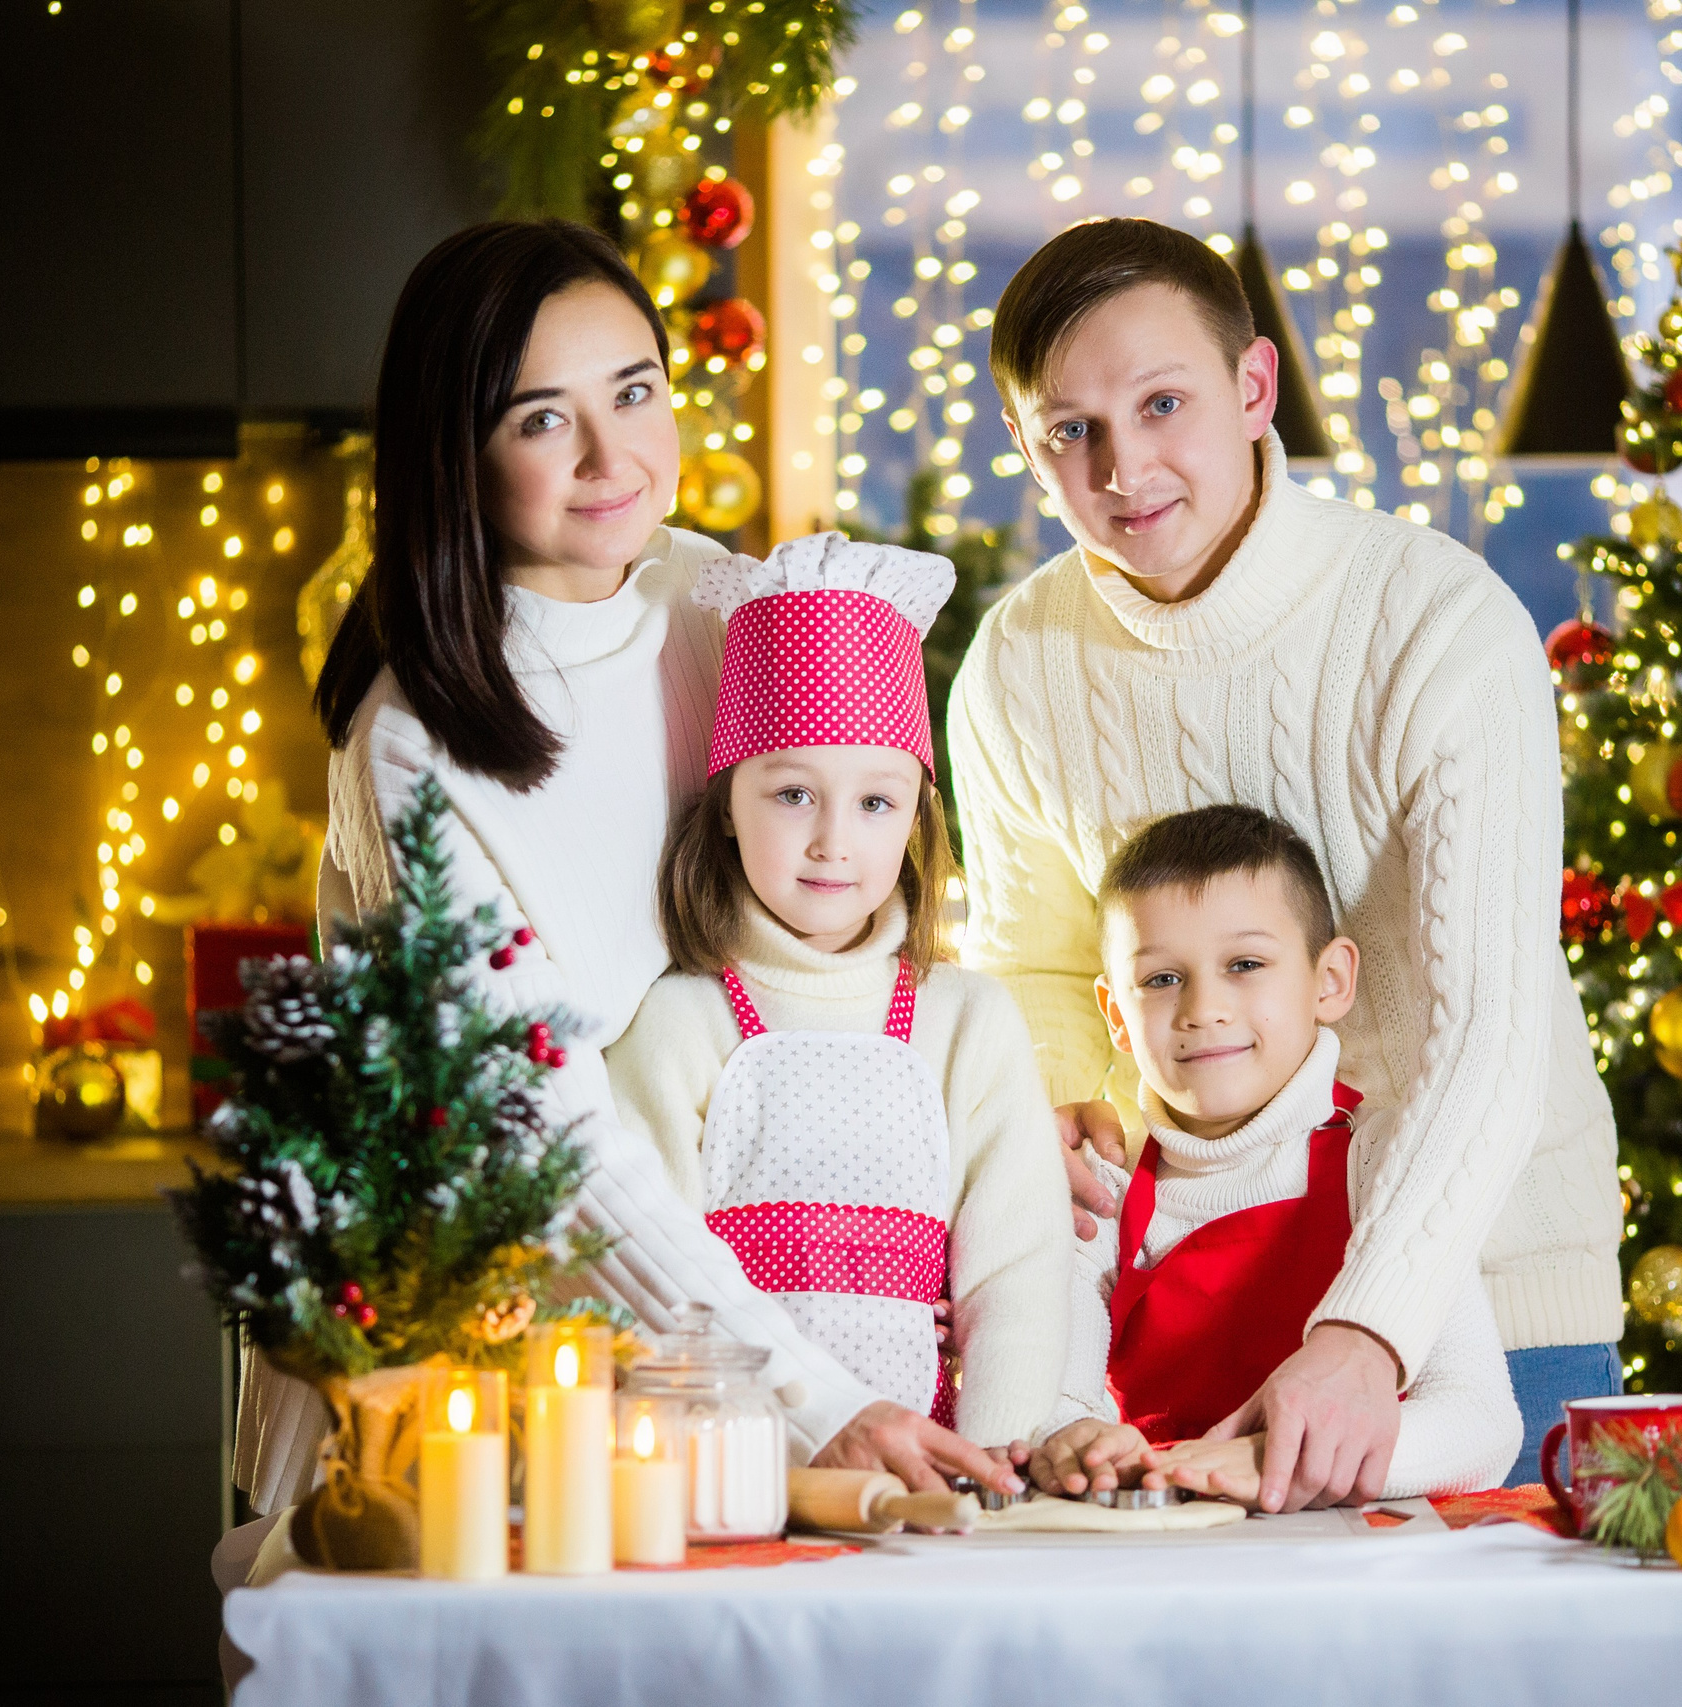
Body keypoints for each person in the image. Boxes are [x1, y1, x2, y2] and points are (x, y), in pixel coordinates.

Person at [232, 219, 1016, 1531]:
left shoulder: (713, 598)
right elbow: (538, 1131)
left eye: (636, 390)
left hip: (704, 1335)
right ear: (456, 451)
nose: (614, 456)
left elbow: (842, 909)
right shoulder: (417, 741)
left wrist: (951, 1162)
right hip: (471, 1357)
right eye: (544, 418)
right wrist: (809, 1383)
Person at [948, 216, 1622, 1509]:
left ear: (1254, 388)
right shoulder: (1015, 667)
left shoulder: (1439, 621)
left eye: (1161, 404)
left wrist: (1368, 1326)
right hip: (1189, 1284)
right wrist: (1066, 1105)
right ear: (1032, 454)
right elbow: (1032, 958)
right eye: (1068, 432)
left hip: (1490, 1281)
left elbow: (1486, 1027)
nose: (1124, 466)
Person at [606, 533, 1070, 1451]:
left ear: (915, 814)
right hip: (730, 1469)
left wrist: (996, 1462)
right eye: (791, 794)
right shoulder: (676, 1021)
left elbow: (1016, 1269)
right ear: (728, 807)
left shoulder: (966, 1022)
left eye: (875, 802)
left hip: (932, 1479)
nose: (833, 842)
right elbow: (651, 1279)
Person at [1024, 806, 1519, 1506]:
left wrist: (1273, 1461)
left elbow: (1482, 1422)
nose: (1204, 1007)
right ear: (1116, 1015)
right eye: (1162, 978)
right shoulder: (1101, 1183)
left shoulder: (1383, 1159)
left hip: (1359, 1576)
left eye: (1245, 964)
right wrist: (1073, 1436)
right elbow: (1057, 1388)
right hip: (1163, 1568)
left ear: (1330, 981)